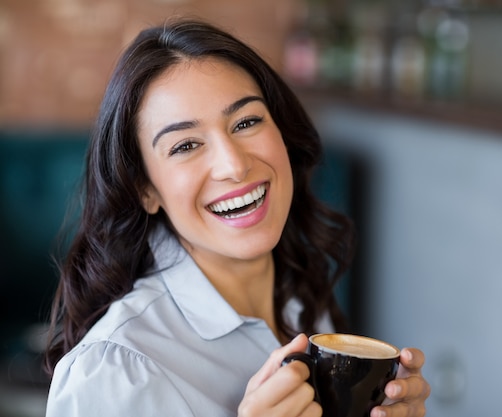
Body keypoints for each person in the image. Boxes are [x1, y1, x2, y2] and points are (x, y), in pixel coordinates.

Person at [43, 17, 430, 417]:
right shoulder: (113, 373)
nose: (233, 165)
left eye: (246, 122)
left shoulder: (304, 303)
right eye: (186, 145)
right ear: (146, 189)